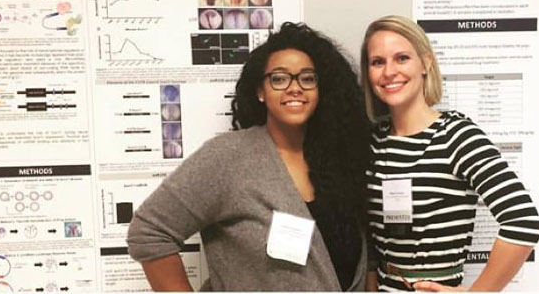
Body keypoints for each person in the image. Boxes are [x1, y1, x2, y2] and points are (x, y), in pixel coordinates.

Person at [127, 22, 370, 291]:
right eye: (279, 78)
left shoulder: (338, 159)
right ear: (260, 92)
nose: (294, 87)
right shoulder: (228, 158)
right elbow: (149, 231)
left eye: (307, 78)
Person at [360, 15, 539, 292]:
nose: (389, 72)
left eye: (402, 58)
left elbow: (523, 221)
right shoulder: (373, 141)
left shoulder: (456, 135)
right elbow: (369, 236)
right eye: (377, 62)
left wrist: (478, 293)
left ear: (426, 63)